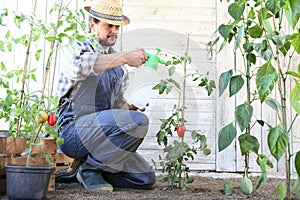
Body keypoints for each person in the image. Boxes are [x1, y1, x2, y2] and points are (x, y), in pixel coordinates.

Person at [55, 0, 155, 191]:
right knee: (140, 121)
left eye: (117, 26)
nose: (114, 31)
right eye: (109, 25)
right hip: (74, 131)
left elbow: (117, 107)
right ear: (92, 24)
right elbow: (78, 67)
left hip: (102, 134)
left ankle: (89, 167)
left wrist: (130, 107)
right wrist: (125, 57)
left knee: (144, 178)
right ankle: (89, 170)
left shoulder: (119, 68)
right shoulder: (76, 49)